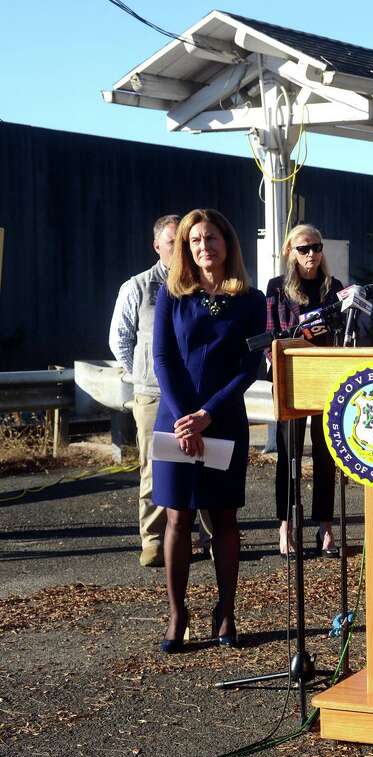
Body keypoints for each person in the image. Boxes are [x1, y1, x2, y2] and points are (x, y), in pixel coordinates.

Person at [152, 208, 266, 653]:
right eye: (195, 240)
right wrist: (185, 416)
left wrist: (208, 415)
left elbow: (248, 367)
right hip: (175, 422)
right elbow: (163, 359)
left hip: (223, 421)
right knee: (178, 517)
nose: (204, 246)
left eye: (211, 238)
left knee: (223, 517)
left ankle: (226, 610)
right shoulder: (172, 294)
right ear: (186, 248)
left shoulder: (251, 301)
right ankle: (178, 612)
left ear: (227, 243)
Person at [109, 215, 213, 567]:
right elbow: (120, 340)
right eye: (173, 243)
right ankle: (154, 541)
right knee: (157, 469)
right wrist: (146, 373)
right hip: (154, 395)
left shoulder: (202, 286)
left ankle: (205, 536)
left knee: (205, 463)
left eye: (184, 242)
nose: (181, 249)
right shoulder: (138, 287)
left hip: (199, 395)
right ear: (157, 247)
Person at [265, 224, 343, 558]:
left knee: (327, 455)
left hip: (326, 378)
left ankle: (324, 527)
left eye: (316, 246)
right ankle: (286, 526)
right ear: (289, 252)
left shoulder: (333, 287)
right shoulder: (277, 289)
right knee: (289, 454)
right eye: (303, 248)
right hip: (292, 379)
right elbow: (269, 338)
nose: (311, 254)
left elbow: (343, 333)